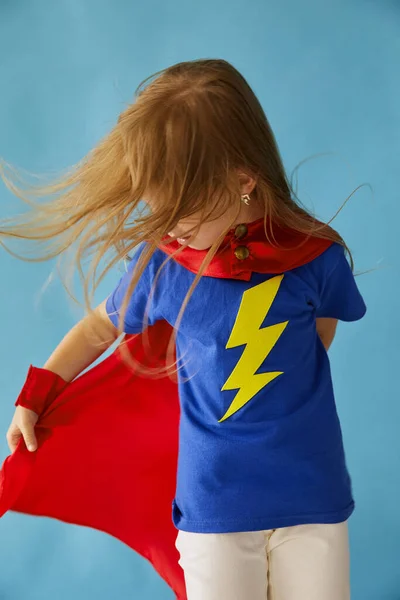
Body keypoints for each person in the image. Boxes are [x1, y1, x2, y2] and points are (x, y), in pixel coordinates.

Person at [0, 59, 366, 600]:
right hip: (214, 509)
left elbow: (321, 330)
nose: (166, 225)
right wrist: (37, 394)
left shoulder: (317, 258)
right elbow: (100, 328)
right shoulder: (165, 266)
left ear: (243, 183)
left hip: (312, 500)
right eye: (156, 207)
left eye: (179, 209)